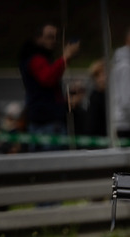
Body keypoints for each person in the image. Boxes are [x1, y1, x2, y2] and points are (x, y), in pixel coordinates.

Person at [18, 23, 79, 151]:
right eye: (50, 37)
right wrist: (66, 57)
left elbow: (46, 88)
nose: (54, 41)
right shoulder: (35, 59)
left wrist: (64, 102)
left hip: (42, 120)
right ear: (38, 38)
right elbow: (48, 78)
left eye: (56, 37)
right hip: (47, 123)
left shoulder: (37, 57)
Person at [83, 60, 108, 139]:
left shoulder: (112, 96)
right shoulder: (94, 97)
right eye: (97, 76)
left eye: (103, 74)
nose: (102, 79)